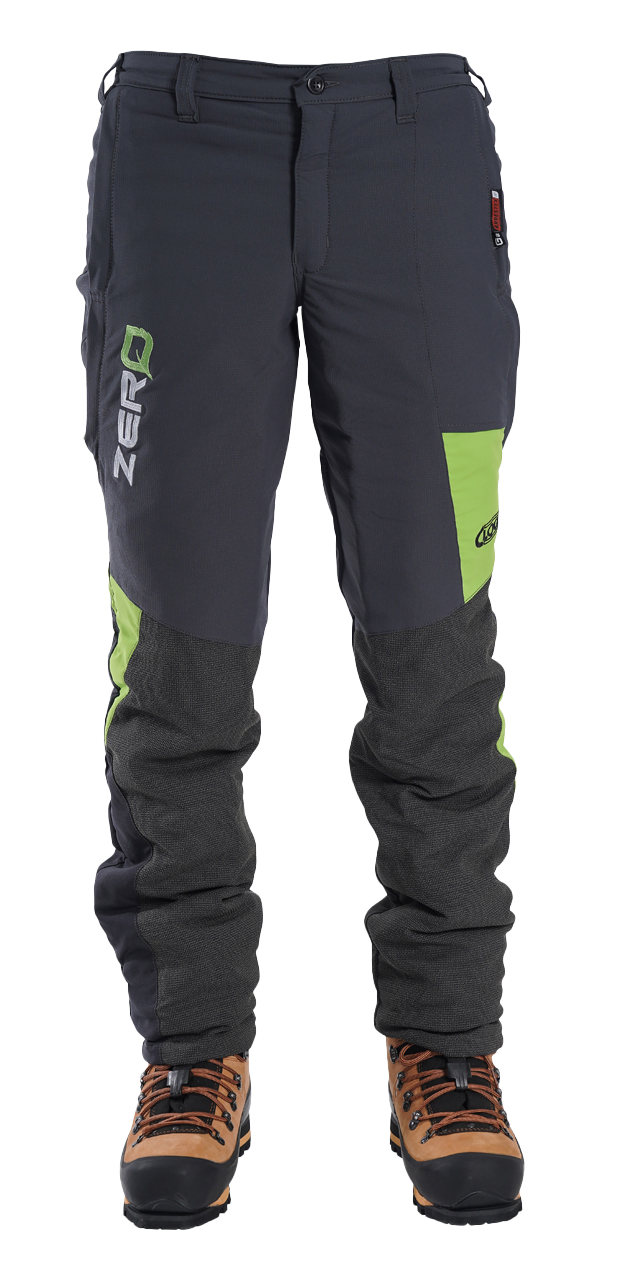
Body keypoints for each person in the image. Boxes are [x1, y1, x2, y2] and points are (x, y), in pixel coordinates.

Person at [78, 48, 523, 1230]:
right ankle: (191, 1053)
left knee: (438, 642)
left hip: (415, 144)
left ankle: (448, 1044)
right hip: (183, 149)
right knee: (179, 648)